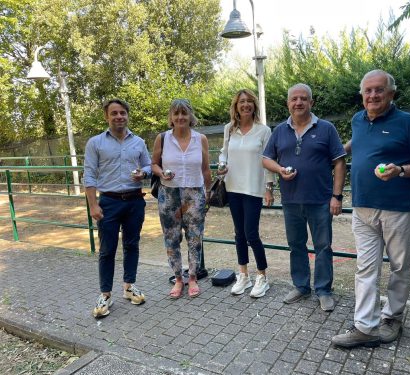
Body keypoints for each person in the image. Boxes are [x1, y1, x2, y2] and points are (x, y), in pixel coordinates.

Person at [331, 70, 410, 348]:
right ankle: (365, 326)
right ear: (362, 95)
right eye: (368, 91)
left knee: (400, 267)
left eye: (379, 90)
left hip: (398, 210)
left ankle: (393, 317)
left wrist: (400, 170)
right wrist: (340, 150)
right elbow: (359, 141)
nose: (373, 96)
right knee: (365, 268)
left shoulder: (408, 123)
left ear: (391, 93)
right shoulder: (357, 119)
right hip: (363, 207)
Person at [262, 83, 346, 312]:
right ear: (288, 103)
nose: (298, 103)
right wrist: (279, 170)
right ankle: (301, 286)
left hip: (320, 199)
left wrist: (336, 196)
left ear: (311, 102)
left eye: (303, 99)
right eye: (294, 99)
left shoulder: (327, 128)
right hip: (290, 200)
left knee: (323, 246)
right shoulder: (280, 130)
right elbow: (266, 159)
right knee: (296, 245)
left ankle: (323, 290)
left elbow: (339, 162)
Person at [84, 98, 151, 318]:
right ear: (107, 117)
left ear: (127, 115)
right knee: (107, 250)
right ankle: (105, 294)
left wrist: (145, 173)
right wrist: (93, 204)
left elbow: (149, 165)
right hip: (109, 202)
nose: (119, 116)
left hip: (134, 201)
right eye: (114, 113)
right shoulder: (95, 143)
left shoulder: (139, 142)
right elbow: (90, 175)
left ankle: (129, 287)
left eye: (122, 112)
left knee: (132, 244)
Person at [217, 89, 275, 298]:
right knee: (239, 233)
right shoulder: (229, 129)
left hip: (253, 188)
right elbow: (224, 152)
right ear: (236, 106)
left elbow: (268, 160)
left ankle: (262, 276)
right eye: (242, 101)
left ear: (254, 105)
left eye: (250, 101)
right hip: (232, 187)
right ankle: (244, 274)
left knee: (251, 233)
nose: (246, 104)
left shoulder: (263, 130)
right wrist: (221, 165)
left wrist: (269, 188)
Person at [151, 99, 211, 299]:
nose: (180, 117)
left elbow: (205, 169)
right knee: (172, 237)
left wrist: (209, 192)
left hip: (194, 195)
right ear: (171, 117)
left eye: (184, 113)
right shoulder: (162, 138)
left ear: (190, 116)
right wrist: (161, 173)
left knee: (194, 237)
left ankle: (192, 277)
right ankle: (178, 278)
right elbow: (154, 164)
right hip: (169, 194)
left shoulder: (200, 139)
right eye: (176, 114)